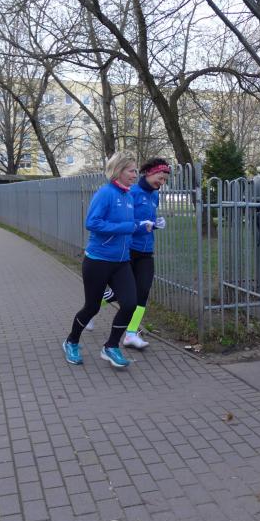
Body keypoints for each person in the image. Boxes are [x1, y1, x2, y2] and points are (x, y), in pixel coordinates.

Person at [62, 151, 145, 369]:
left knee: (130, 304)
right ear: (119, 171)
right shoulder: (105, 193)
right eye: (131, 171)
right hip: (98, 260)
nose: (135, 175)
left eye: (136, 171)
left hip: (121, 262)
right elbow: (92, 223)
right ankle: (71, 341)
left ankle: (111, 346)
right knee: (92, 308)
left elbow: (127, 226)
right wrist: (127, 227)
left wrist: (143, 225)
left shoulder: (128, 196)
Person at [91, 158, 169, 348]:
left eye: (165, 180)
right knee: (121, 294)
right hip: (128, 249)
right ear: (149, 173)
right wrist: (140, 226)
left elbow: (147, 222)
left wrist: (155, 224)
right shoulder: (131, 192)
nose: (162, 182)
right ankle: (91, 310)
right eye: (160, 177)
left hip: (146, 251)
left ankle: (131, 334)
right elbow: (123, 222)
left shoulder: (154, 195)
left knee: (143, 292)